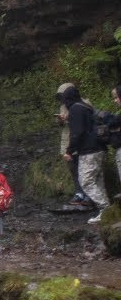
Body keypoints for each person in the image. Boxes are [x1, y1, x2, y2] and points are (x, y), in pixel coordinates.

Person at [61, 84, 110, 224]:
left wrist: (69, 150)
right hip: (99, 148)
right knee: (97, 181)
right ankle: (105, 212)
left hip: (89, 150)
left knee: (86, 181)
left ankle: (105, 208)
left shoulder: (75, 109)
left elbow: (77, 133)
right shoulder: (86, 107)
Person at [56, 82, 91, 206]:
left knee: (84, 168)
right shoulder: (62, 107)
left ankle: (88, 194)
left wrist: (69, 117)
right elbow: (61, 125)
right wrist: (61, 120)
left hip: (80, 140)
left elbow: (84, 119)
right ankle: (79, 192)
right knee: (73, 168)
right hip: (67, 139)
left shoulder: (84, 103)